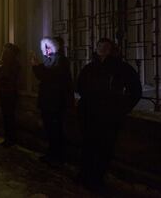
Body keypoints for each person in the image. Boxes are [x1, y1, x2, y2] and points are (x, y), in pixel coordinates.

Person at [76, 38, 142, 190]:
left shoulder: (121, 68)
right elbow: (80, 86)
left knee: (104, 149)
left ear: (112, 49)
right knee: (88, 146)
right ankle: (84, 175)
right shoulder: (90, 67)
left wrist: (121, 108)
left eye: (106, 46)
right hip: (89, 114)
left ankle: (97, 179)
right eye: (99, 46)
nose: (102, 49)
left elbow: (135, 91)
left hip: (108, 117)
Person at [31, 37, 73, 165]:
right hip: (48, 101)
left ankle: (57, 157)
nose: (46, 49)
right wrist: (36, 65)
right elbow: (42, 76)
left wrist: (36, 66)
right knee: (50, 130)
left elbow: (49, 77)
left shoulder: (61, 61)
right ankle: (52, 154)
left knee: (56, 131)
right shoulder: (51, 59)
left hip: (56, 102)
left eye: (49, 46)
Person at [0, 43, 21, 147]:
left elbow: (6, 77)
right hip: (5, 91)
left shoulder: (12, 63)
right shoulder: (6, 63)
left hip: (9, 92)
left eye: (5, 50)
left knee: (9, 116)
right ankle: (9, 138)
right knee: (7, 116)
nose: (3, 52)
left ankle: (10, 139)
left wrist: (1, 69)